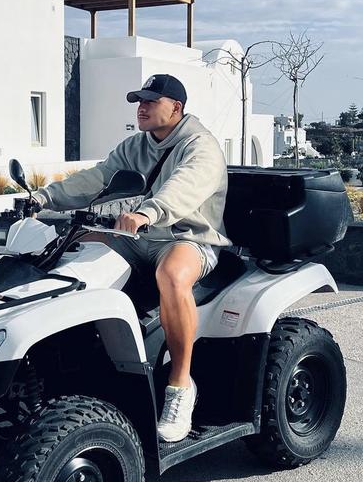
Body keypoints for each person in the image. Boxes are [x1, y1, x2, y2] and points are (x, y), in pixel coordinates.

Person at [32, 74, 230, 442]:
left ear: (176, 108)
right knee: (76, 247)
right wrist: (44, 197)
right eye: (139, 101)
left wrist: (147, 213)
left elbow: (184, 187)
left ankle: (180, 386)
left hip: (187, 238)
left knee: (172, 276)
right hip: (137, 237)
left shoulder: (201, 147)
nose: (141, 107)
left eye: (150, 101)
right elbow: (98, 178)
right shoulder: (135, 146)